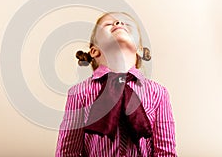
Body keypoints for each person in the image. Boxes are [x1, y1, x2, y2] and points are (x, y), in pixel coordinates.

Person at [55, 12, 177, 157]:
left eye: (125, 24)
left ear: (139, 49)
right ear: (94, 51)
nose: (118, 24)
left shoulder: (158, 93)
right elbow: (68, 151)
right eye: (108, 24)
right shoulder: (79, 92)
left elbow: (165, 152)